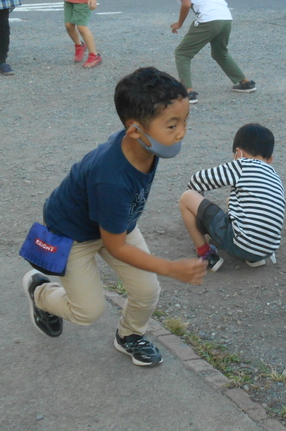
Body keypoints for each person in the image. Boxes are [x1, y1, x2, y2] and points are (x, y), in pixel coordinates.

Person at [22, 67, 208, 367]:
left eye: (184, 121)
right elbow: (117, 246)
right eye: (172, 126)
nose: (182, 132)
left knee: (147, 291)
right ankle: (40, 292)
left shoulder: (142, 144)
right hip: (74, 232)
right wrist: (171, 267)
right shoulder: (109, 178)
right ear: (135, 131)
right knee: (88, 312)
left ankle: (130, 335)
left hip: (115, 224)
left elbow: (116, 237)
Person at [179, 123, 285, 271]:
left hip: (241, 243)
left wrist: (195, 210)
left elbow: (198, 179)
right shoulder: (274, 176)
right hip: (266, 249)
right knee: (232, 202)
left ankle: (205, 254)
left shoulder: (243, 164)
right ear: (270, 159)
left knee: (187, 197)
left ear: (238, 153)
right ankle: (253, 258)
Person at [170, 0, 255, 104]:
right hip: (226, 18)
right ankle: (245, 82)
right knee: (220, 53)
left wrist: (179, 23)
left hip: (209, 20)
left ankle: (188, 92)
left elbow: (186, 4)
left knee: (182, 53)